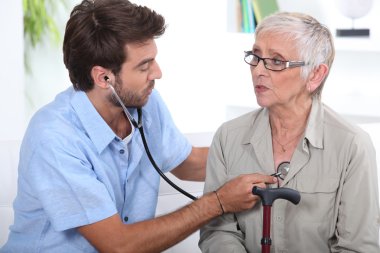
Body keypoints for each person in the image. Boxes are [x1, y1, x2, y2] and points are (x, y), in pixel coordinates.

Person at [0, 0, 277, 252]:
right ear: (103, 77)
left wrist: (275, 152)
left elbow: (187, 162)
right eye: (144, 66)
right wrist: (217, 202)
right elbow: (119, 246)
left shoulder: (145, 103)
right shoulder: (55, 138)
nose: (157, 73)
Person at [199, 12, 380, 253]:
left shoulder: (352, 145)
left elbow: (358, 247)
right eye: (256, 56)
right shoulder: (227, 137)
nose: (258, 71)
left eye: (276, 61)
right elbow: (217, 232)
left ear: (315, 75)